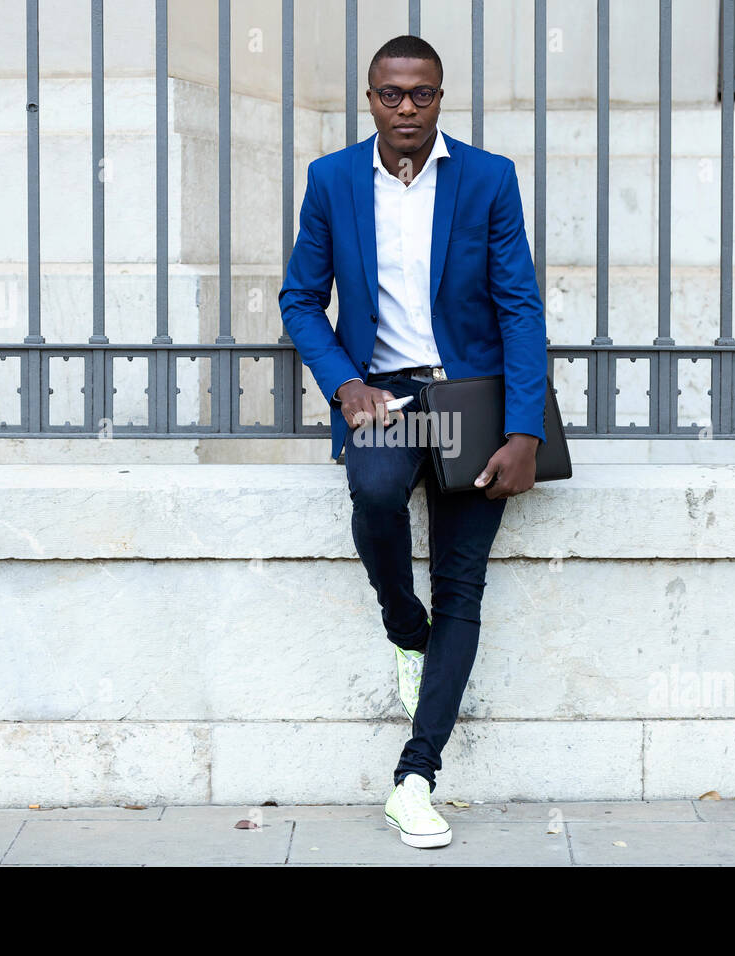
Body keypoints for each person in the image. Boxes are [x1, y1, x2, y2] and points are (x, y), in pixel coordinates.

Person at [278, 34, 547, 849]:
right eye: (390, 94)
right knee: (376, 490)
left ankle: (415, 779)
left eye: (421, 94)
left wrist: (526, 429)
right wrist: (342, 383)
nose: (406, 107)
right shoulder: (331, 182)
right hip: (388, 398)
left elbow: (519, 308)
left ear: (439, 98)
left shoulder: (488, 179)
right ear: (370, 98)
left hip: (471, 398)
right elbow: (300, 299)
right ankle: (404, 625)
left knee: (463, 588)